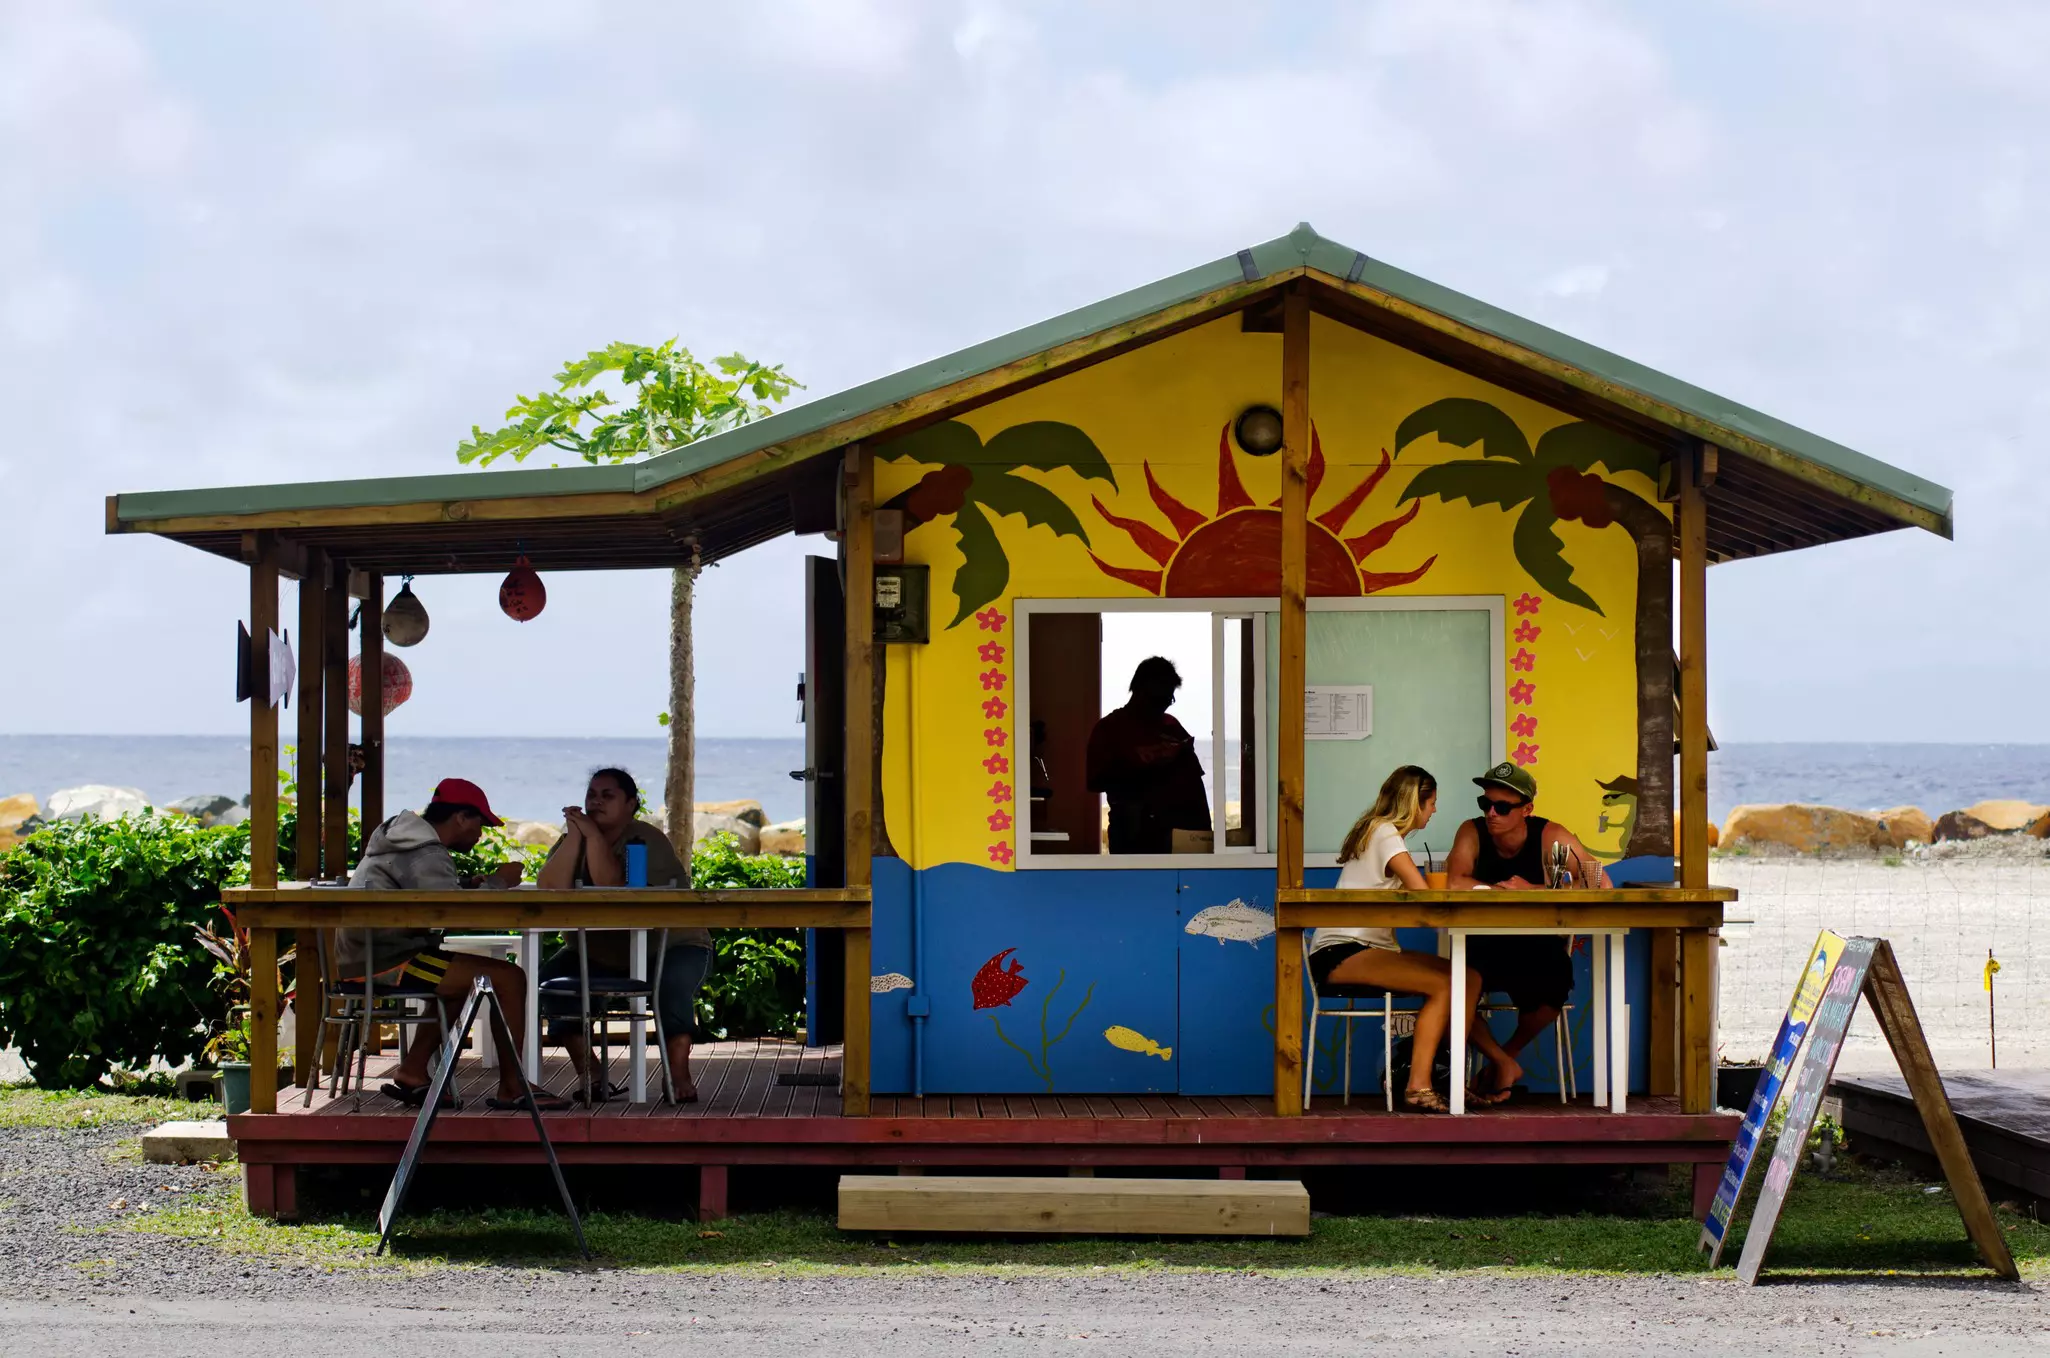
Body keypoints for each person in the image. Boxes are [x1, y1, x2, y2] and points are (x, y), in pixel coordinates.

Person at [339, 777, 568, 1110]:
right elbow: (452, 913)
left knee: (460, 981)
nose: (480, 834)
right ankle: (513, 1086)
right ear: (461, 816)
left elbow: (426, 892)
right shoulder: (426, 852)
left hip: (368, 955)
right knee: (510, 978)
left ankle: (413, 1071)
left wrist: (463, 884)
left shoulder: (402, 842)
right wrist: (499, 882)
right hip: (391, 961)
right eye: (480, 824)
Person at [1308, 766, 1523, 1113]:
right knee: (1443, 985)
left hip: (1368, 948)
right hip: (1342, 951)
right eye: (1432, 803)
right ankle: (1420, 1086)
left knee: (1468, 977)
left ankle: (1454, 1079)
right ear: (1415, 803)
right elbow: (1422, 896)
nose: (1434, 810)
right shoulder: (1385, 833)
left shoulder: (1379, 832)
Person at [535, 768, 712, 1102]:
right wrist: (576, 837)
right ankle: (592, 1073)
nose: (596, 802)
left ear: (631, 804)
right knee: (552, 983)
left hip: (671, 944)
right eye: (591, 795)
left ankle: (677, 1075)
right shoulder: (576, 835)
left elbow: (611, 887)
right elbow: (549, 889)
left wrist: (593, 837)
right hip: (602, 952)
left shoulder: (646, 838)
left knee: (670, 989)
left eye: (607, 795)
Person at [1446, 760, 1612, 1102]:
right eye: (1485, 803)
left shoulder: (1551, 835)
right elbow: (1455, 881)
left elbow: (1600, 883)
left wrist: (1533, 891)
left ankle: (1503, 1060)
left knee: (1553, 988)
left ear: (1527, 810)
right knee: (1451, 992)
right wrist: (1499, 891)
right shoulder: (1471, 831)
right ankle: (1503, 1062)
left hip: (1535, 944)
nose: (1491, 813)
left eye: (1503, 807)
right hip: (1482, 943)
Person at [1085, 656, 1211, 853]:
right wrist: (1144, 764)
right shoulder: (1109, 729)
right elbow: (1094, 781)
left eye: (1170, 699)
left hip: (1177, 838)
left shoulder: (1172, 726)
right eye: (1163, 698)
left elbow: (1195, 785)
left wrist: (1205, 837)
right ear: (1143, 691)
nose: (1167, 704)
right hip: (1132, 837)